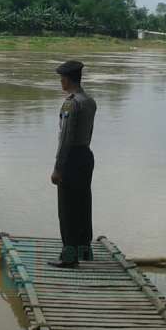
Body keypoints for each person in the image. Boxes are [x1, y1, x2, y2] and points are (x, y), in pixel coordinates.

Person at [48, 60, 97, 268]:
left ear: (67, 80)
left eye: (61, 78)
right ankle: (82, 250)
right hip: (86, 155)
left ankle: (69, 257)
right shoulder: (90, 101)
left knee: (67, 209)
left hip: (71, 158)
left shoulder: (71, 103)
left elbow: (66, 138)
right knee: (83, 205)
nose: (60, 82)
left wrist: (58, 167)